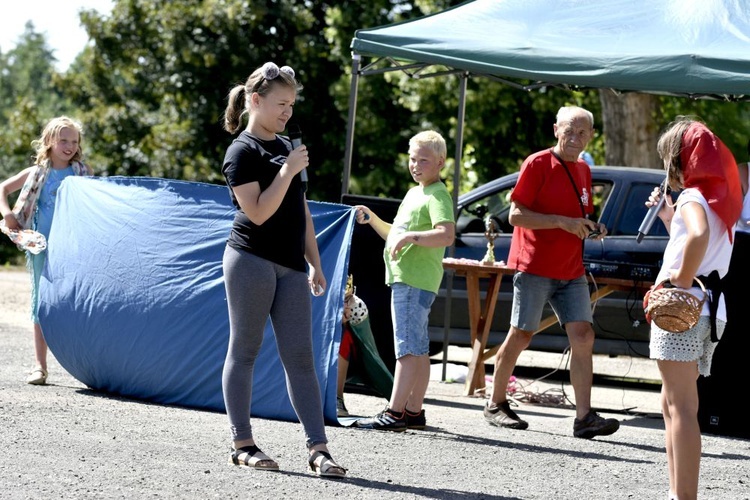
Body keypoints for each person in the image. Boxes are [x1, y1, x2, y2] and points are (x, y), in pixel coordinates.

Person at [220, 61, 346, 478]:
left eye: (291, 104)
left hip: (292, 265)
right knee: (245, 351)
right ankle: (243, 443)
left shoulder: (287, 144)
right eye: (280, 103)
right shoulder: (242, 150)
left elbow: (300, 208)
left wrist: (315, 261)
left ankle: (319, 449)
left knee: (302, 359)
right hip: (250, 259)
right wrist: (287, 170)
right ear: (255, 101)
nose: (287, 112)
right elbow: (257, 213)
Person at [483, 105, 620, 439]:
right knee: (522, 334)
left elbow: (578, 216)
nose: (575, 137)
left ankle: (584, 417)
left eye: (582, 132)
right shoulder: (537, 163)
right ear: (556, 129)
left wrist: (591, 227)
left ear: (591, 136)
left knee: (584, 336)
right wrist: (562, 222)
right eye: (569, 130)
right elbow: (515, 216)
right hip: (534, 267)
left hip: (571, 270)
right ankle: (495, 403)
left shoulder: (584, 170)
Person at [645, 117, 741, 500]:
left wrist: (680, 282)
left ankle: (683, 496)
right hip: (708, 310)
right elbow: (698, 240)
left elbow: (698, 238)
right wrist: (671, 221)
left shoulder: (693, 197)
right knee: (674, 403)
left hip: (683, 307)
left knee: (680, 406)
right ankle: (677, 492)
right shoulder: (718, 201)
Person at [353, 130, 455, 431]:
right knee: (419, 349)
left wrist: (412, 236)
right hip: (407, 280)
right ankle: (413, 411)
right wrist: (373, 218)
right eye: (412, 159)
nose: (415, 165)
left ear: (440, 163)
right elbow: (395, 234)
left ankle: (395, 412)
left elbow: (446, 234)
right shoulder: (415, 193)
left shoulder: (437, 194)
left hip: (413, 281)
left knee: (407, 349)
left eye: (423, 160)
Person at [0, 116, 92, 385]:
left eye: (74, 141)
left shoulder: (82, 173)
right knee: (40, 303)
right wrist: (7, 215)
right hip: (40, 246)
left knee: (75, 302)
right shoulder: (36, 174)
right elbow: (2, 188)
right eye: (63, 140)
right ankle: (40, 367)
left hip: (73, 248)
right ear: (49, 141)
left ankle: (84, 365)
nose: (69, 146)